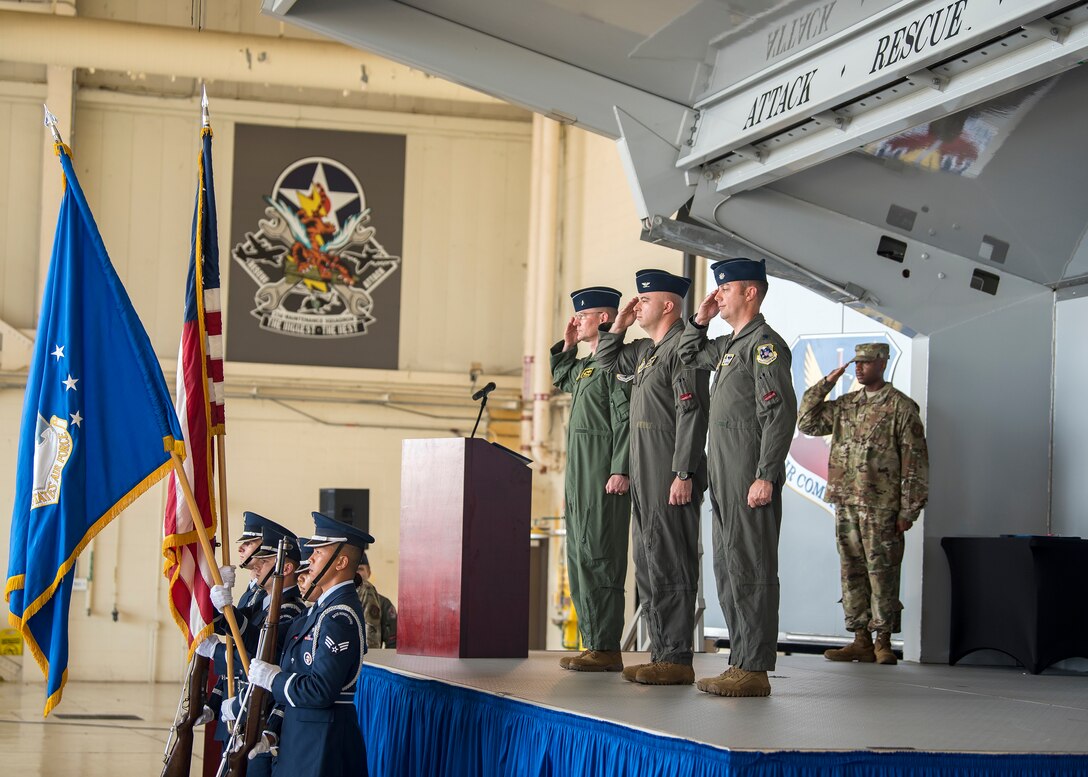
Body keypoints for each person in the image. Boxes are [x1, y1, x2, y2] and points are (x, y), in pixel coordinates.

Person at [678, 258, 797, 698]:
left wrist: (766, 474)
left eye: (725, 289)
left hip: (749, 473)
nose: (719, 294)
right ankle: (740, 661)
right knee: (728, 567)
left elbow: (779, 413)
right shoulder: (731, 345)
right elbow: (687, 354)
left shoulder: (764, 345)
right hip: (726, 474)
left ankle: (755, 667)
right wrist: (700, 319)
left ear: (750, 292)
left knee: (752, 567)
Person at [594, 269, 709, 686]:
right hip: (644, 469)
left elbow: (692, 412)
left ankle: (677, 657)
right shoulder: (645, 350)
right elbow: (605, 360)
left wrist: (684, 472)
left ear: (669, 306)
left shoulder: (684, 348)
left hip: (669, 469)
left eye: (645, 300)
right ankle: (662, 652)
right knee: (648, 562)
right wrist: (618, 325)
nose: (637, 304)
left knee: (671, 560)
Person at [796, 342, 929, 665]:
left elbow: (915, 462)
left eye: (866, 362)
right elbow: (807, 422)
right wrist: (826, 383)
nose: (859, 368)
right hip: (846, 501)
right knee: (851, 571)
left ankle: (883, 640)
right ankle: (860, 640)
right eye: (856, 363)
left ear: (882, 363)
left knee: (881, 572)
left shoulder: (900, 407)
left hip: (881, 505)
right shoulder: (846, 405)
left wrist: (909, 509)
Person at [247, 512, 373, 777]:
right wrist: (223, 617)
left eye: (318, 552)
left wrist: (274, 680)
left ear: (341, 562)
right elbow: (268, 638)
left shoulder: (339, 616)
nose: (311, 558)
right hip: (302, 737)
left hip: (321, 742)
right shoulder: (319, 611)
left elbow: (319, 691)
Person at [550, 285, 632, 672]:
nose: (576, 322)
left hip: (602, 474)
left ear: (603, 318)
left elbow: (624, 419)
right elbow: (563, 378)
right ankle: (592, 642)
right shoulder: (588, 365)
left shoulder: (615, 364)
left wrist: (621, 467)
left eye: (582, 317)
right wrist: (567, 344)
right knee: (580, 556)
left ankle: (606, 646)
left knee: (600, 556)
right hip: (580, 477)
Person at [355, 552, 397, 649]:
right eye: (353, 569)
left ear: (369, 572)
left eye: (360, 569)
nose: (356, 573)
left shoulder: (384, 604)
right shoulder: (340, 600)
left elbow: (393, 643)